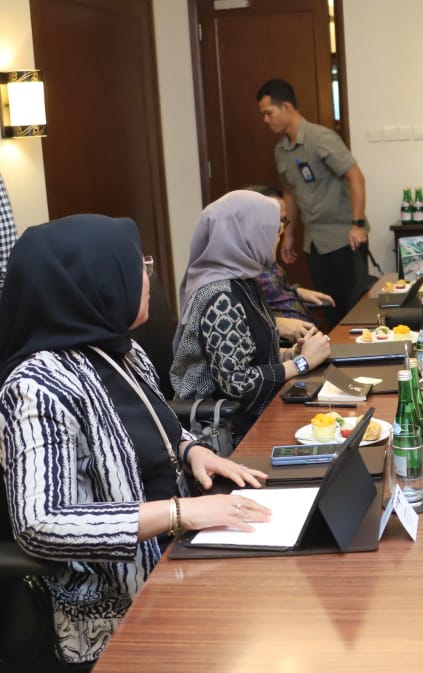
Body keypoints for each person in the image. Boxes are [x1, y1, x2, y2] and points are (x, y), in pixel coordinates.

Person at [0, 214, 271, 667]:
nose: (149, 276)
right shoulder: (36, 385)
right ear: (94, 282)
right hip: (114, 606)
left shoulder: (122, 349)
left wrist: (192, 449)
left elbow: (158, 428)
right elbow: (40, 522)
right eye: (137, 264)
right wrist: (178, 512)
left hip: (180, 556)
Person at [171, 190, 331, 435]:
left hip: (251, 413)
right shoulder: (219, 296)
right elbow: (237, 382)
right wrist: (302, 363)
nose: (278, 237)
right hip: (221, 429)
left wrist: (291, 353)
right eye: (273, 231)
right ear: (246, 236)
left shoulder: (244, 281)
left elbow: (247, 351)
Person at [257, 78, 373, 326]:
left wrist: (357, 224)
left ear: (286, 107)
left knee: (354, 307)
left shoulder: (321, 138)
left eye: (269, 113)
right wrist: (288, 234)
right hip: (315, 243)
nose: (266, 120)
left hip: (344, 237)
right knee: (327, 306)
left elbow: (356, 177)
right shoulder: (281, 150)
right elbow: (290, 193)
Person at [245, 184, 335, 339]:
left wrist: (297, 291)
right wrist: (275, 324)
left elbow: (275, 288)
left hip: (303, 342)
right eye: (273, 221)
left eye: (283, 221)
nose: (280, 230)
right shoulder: (239, 270)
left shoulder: (266, 257)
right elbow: (241, 320)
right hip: (283, 345)